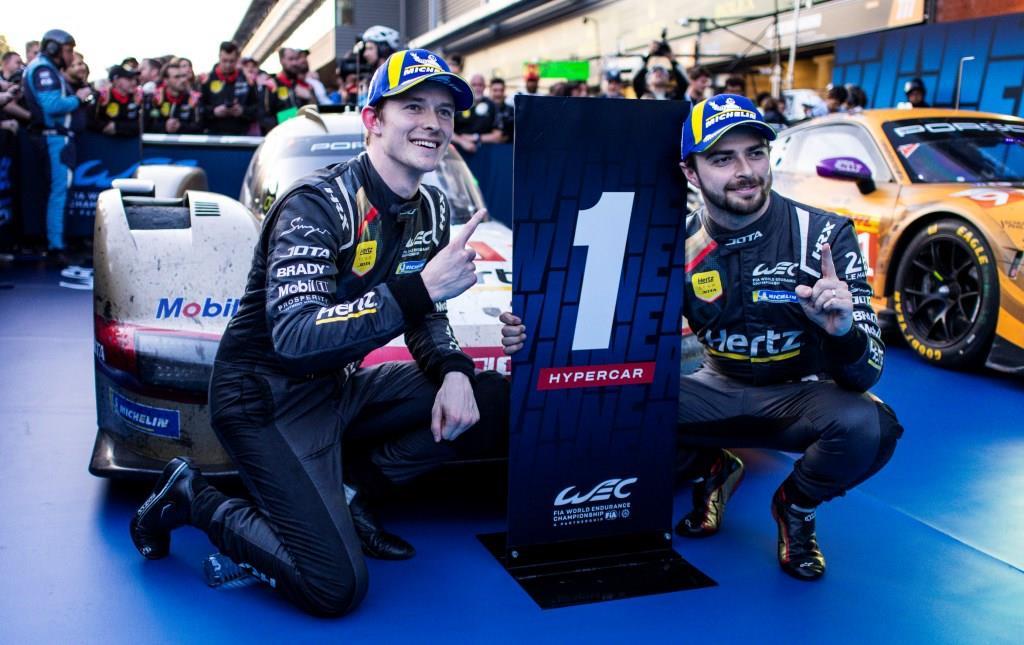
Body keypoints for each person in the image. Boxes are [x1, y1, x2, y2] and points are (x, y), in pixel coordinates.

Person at [130, 48, 508, 616]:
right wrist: (421, 290)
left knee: (488, 394)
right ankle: (191, 497)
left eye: (444, 111)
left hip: (336, 386)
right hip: (262, 398)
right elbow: (296, 337)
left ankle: (349, 493)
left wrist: (454, 370)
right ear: (372, 120)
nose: (433, 122)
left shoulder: (429, 208)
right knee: (335, 588)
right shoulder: (316, 204)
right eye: (413, 107)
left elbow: (424, 314)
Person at [500, 95, 902, 581]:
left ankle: (795, 507)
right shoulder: (673, 243)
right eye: (722, 158)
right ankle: (712, 465)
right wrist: (532, 334)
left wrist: (842, 332)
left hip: (801, 395)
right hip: (716, 389)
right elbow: (605, 331)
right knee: (600, 399)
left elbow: (866, 373)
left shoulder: (824, 235)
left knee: (871, 426)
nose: (745, 171)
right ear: (690, 172)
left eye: (755, 153)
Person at [21, 29, 94, 262]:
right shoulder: (44, 69)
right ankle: (56, 247)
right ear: (54, 49)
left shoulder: (45, 68)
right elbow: (52, 105)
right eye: (68, 50)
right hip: (55, 139)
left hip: (55, 138)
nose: (71, 56)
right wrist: (79, 97)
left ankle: (56, 243)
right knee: (59, 193)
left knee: (57, 192)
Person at [200, 41, 257, 135]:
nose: (228, 65)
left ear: (237, 59)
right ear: (219, 57)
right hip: (214, 135)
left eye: (231, 61)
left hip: (241, 135)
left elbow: (257, 108)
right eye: (224, 61)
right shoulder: (207, 80)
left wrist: (242, 111)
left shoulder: (246, 79)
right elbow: (199, 109)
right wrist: (214, 112)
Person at [262, 47, 313, 131]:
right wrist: (286, 126)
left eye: (296, 59)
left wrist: (309, 98)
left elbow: (314, 111)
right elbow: (265, 117)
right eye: (291, 59)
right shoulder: (271, 85)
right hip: (283, 134)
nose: (294, 63)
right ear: (282, 61)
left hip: (305, 132)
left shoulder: (303, 84)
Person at [145, 63, 202, 134]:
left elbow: (200, 126)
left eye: (183, 76)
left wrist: (180, 126)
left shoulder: (193, 98)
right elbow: (147, 125)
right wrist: (164, 126)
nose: (183, 80)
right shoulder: (155, 98)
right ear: (166, 80)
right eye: (177, 77)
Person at [452, 73, 501, 154]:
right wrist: (462, 142)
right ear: (469, 86)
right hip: (457, 152)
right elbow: (446, 130)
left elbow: (498, 136)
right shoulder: (459, 104)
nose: (477, 88)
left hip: (485, 153)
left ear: (485, 86)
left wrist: (475, 137)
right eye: (474, 85)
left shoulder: (492, 105)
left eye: (480, 85)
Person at [92, 65, 143, 137]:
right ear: (116, 80)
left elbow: (143, 124)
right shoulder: (101, 96)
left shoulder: (138, 97)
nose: (134, 82)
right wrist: (103, 126)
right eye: (129, 79)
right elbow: (89, 121)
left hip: (130, 142)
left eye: (135, 79)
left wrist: (117, 127)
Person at [489, 77, 514, 142]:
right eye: (495, 90)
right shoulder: (484, 109)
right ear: (490, 91)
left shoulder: (511, 111)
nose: (498, 94)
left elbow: (501, 137)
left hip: (507, 147)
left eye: (501, 90)